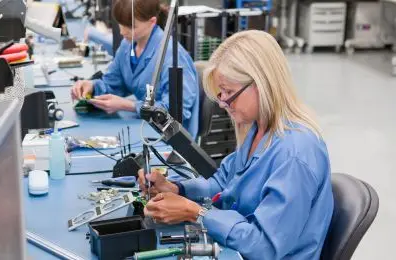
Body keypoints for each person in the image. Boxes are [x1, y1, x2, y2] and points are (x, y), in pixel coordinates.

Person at [138, 30, 334, 260]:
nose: (222, 103)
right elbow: (224, 183)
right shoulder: (258, 128)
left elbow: (264, 246)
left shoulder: (296, 154)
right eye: (220, 93)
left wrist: (196, 213)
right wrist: (178, 190)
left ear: (262, 84)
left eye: (229, 92)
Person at [71, 0, 200, 138]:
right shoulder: (128, 45)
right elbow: (114, 82)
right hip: (143, 127)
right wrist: (92, 86)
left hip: (170, 139)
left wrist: (129, 106)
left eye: (131, 26)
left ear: (152, 22)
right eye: (121, 23)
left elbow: (177, 112)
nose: (122, 31)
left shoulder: (172, 56)